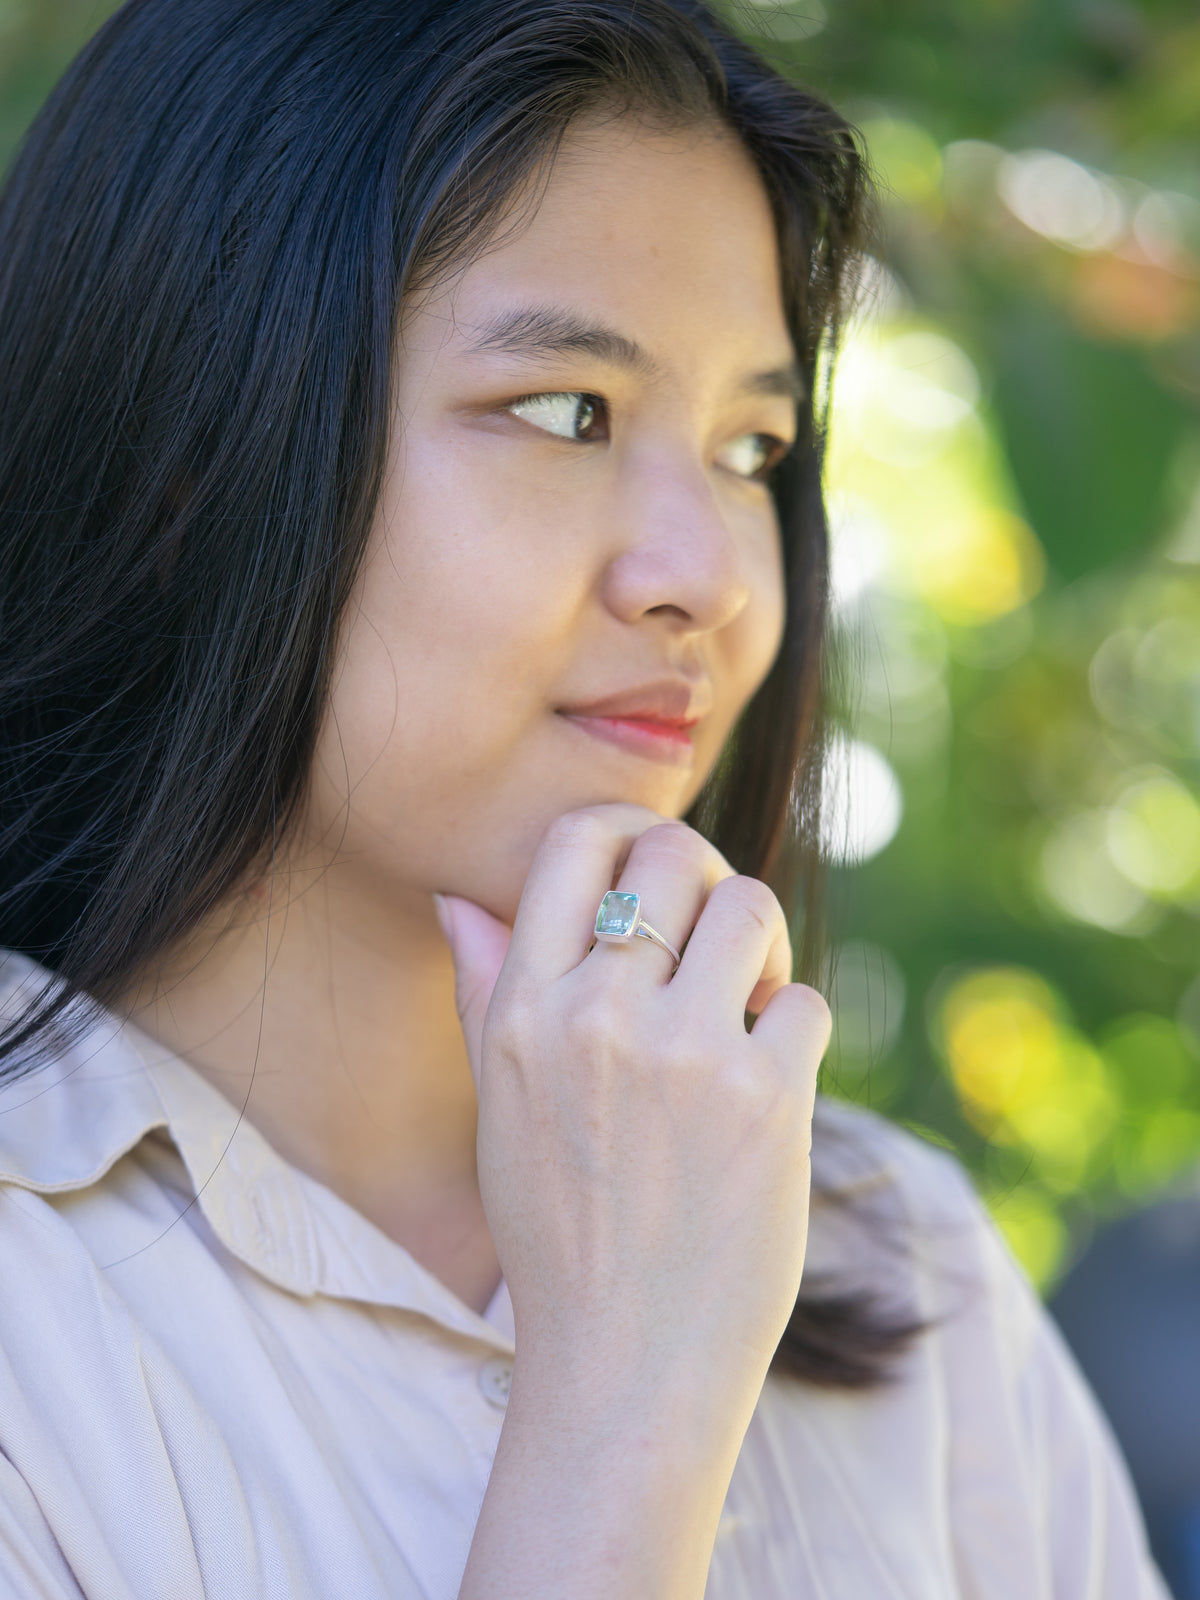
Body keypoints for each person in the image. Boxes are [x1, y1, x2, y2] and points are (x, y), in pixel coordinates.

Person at [0, 1, 1169, 1594]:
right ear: (183, 466)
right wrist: (626, 1410)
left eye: (752, 448)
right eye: (567, 412)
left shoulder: (904, 1263)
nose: (708, 577)